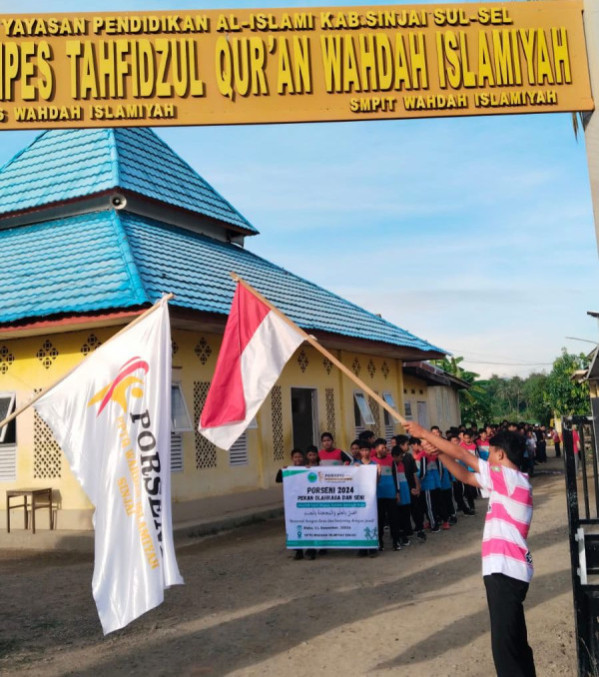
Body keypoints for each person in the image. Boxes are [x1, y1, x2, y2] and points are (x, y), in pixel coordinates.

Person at [405, 422, 536, 677]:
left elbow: (464, 456)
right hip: (505, 572)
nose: (486, 456)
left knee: (505, 650)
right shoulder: (506, 483)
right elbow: (465, 476)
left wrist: (422, 433)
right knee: (514, 644)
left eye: (490, 451)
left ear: (500, 454)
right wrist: (438, 452)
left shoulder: (511, 479)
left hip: (506, 571)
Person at [276, 449, 314, 560]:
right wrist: (282, 470)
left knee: (310, 527)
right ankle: (299, 551)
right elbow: (278, 479)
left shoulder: (308, 470)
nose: (298, 459)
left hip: (308, 504)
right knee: (296, 527)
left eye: (300, 457)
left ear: (304, 458)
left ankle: (311, 550)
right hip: (295, 506)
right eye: (295, 457)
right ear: (292, 458)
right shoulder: (290, 471)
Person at [371, 438, 401, 551]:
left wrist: (397, 492)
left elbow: (396, 476)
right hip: (378, 495)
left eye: (385, 447)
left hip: (391, 494)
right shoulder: (372, 461)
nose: (385, 449)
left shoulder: (391, 460)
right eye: (382, 448)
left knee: (394, 519)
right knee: (379, 520)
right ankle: (379, 542)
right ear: (376, 449)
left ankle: (396, 541)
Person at [354, 440, 378, 558]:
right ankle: (362, 547)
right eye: (362, 450)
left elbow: (377, 482)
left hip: (371, 498)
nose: (364, 452)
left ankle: (372, 546)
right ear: (360, 452)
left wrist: (378, 473)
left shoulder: (374, 465)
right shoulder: (356, 464)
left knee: (371, 521)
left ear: (370, 451)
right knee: (360, 522)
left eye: (367, 450)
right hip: (359, 497)